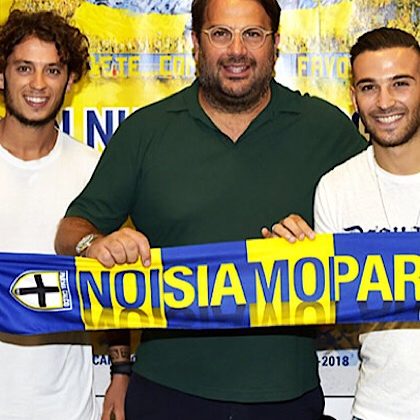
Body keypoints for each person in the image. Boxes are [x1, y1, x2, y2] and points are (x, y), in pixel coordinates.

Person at [54, 0, 365, 419]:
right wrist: (94, 244)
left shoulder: (326, 129)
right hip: (167, 393)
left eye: (252, 34)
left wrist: (324, 248)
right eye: (220, 34)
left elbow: (383, 220)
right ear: (196, 44)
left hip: (286, 396)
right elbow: (70, 231)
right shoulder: (146, 131)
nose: (237, 50)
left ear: (275, 43)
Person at [272, 27, 420, 420]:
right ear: (354, 97)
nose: (384, 102)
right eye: (369, 87)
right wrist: (294, 267)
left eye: (400, 84)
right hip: (378, 410)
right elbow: (326, 318)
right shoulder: (336, 188)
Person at [0, 10, 100, 420]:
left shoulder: (93, 170)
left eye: (52, 70)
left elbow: (115, 280)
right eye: (25, 68)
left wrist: (121, 370)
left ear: (70, 80)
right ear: (2, 75)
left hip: (66, 406)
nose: (38, 84)